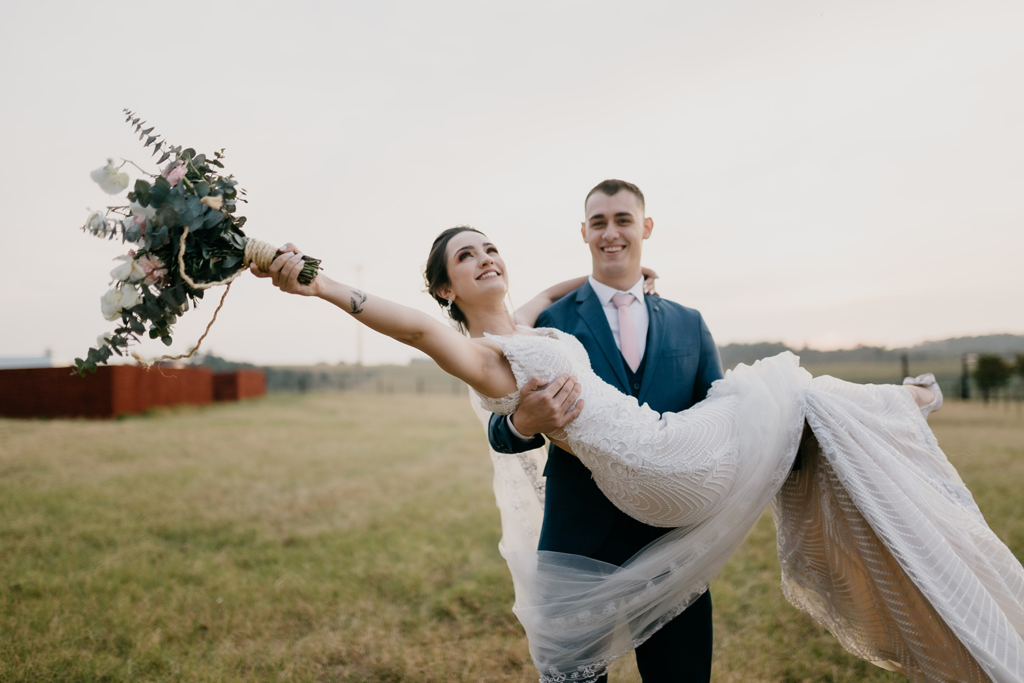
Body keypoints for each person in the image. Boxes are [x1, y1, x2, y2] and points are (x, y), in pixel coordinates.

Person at [253, 204, 1024, 683]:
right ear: (446, 288)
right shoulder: (477, 354)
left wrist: (586, 279)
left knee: (787, 401)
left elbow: (544, 299)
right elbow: (426, 334)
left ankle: (889, 410)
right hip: (647, 472)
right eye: (466, 255)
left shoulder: (531, 325)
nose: (486, 255)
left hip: (669, 472)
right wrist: (316, 283)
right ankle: (902, 404)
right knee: (784, 393)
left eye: (489, 244)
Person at [485, 179, 718, 683]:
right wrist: (525, 422)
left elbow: (719, 421)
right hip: (577, 540)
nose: (611, 232)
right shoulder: (547, 324)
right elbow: (499, 429)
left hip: (671, 542)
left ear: (646, 227)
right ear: (584, 233)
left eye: (623, 220)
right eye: (599, 222)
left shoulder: (690, 323)